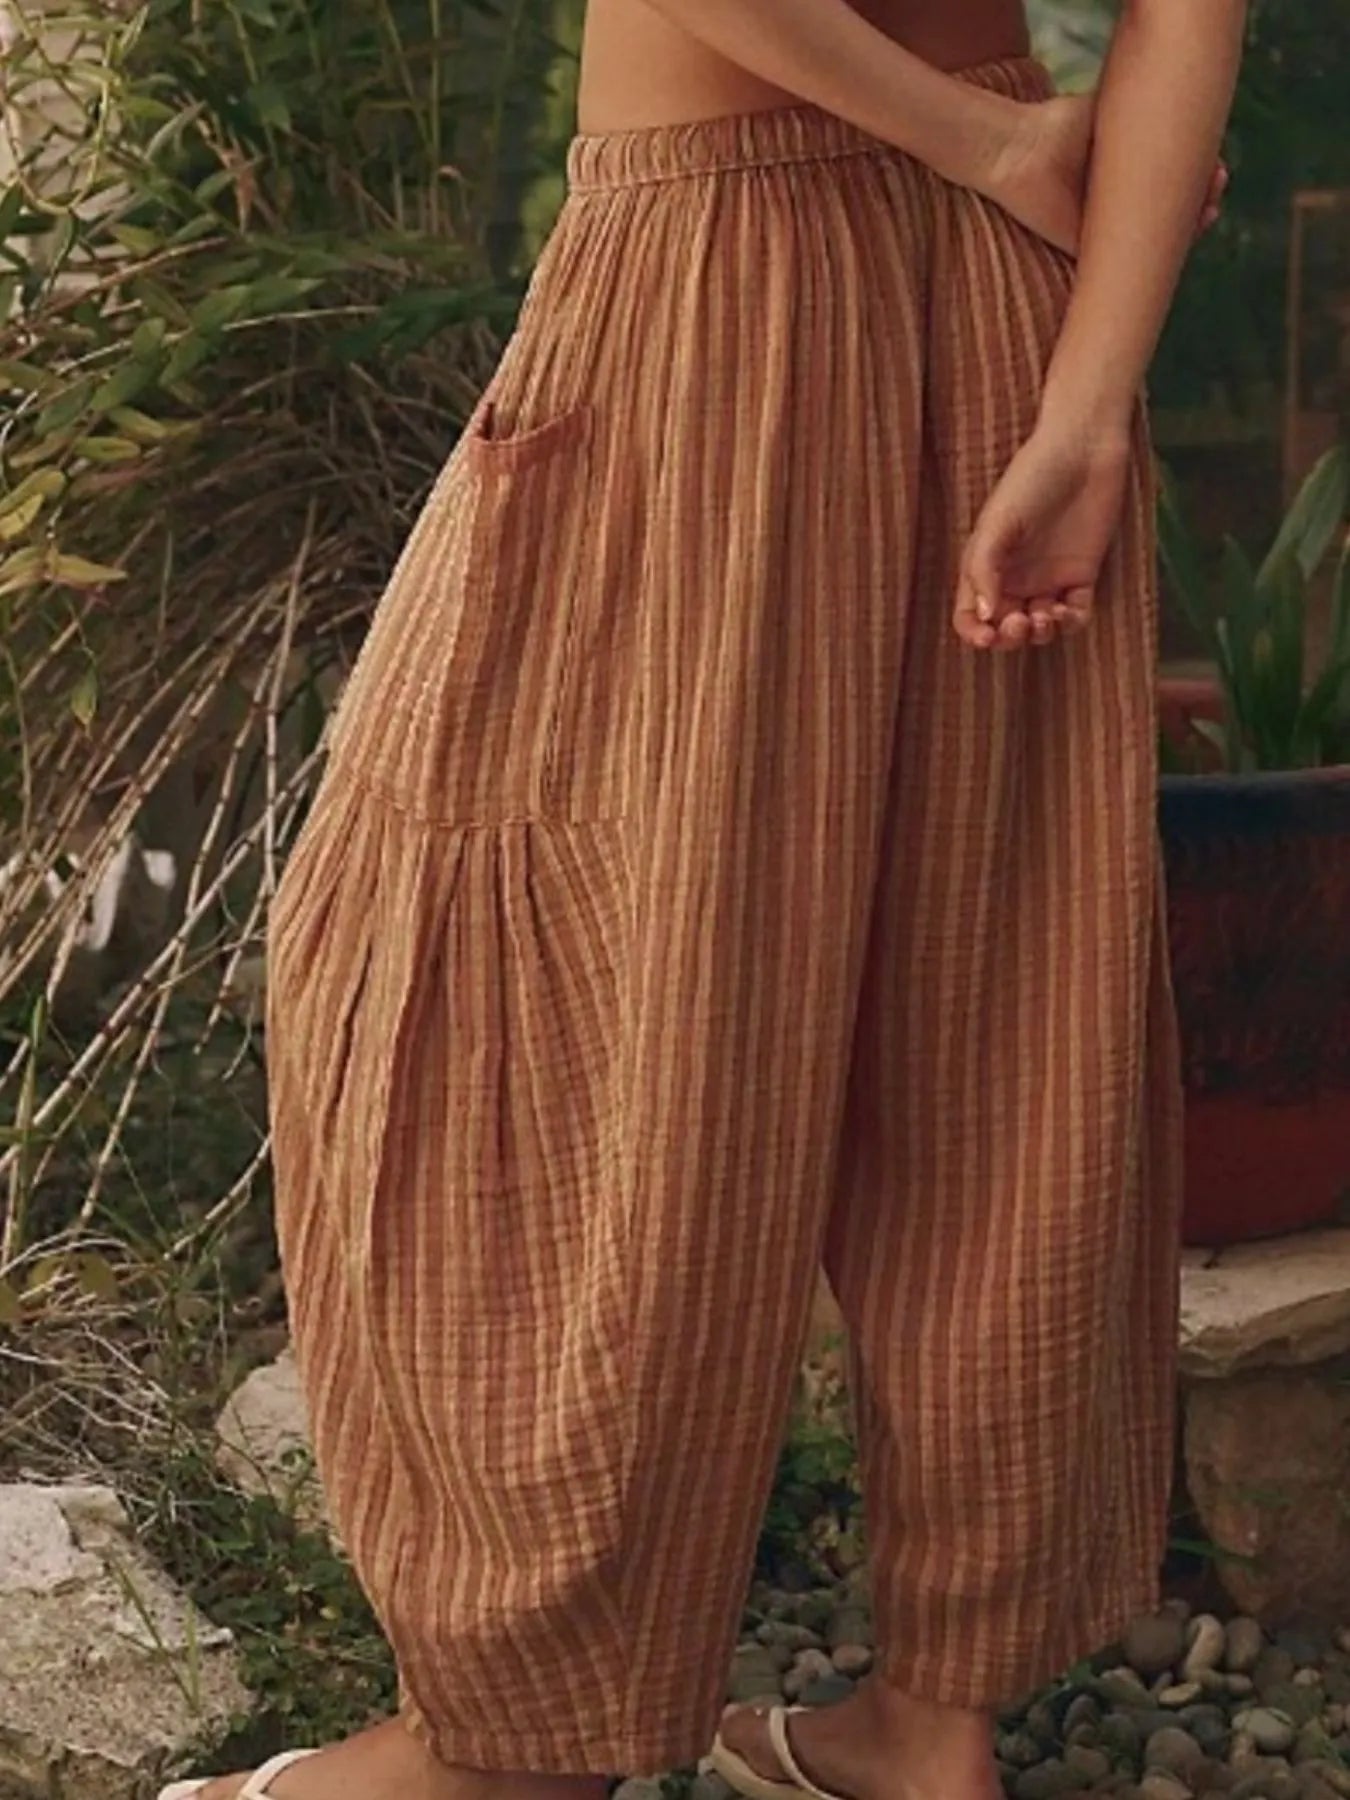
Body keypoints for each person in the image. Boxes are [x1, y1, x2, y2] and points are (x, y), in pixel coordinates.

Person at [162, 1, 1243, 1797]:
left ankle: (506, 1749)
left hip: (715, 285)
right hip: (1011, 299)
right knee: (985, 989)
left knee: (527, 966)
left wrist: (977, 151)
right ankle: (930, 1723)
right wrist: (1089, 411)